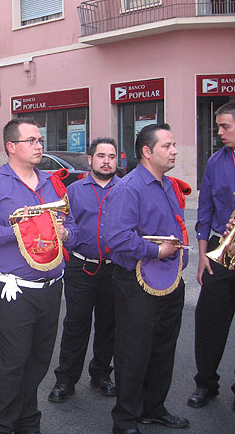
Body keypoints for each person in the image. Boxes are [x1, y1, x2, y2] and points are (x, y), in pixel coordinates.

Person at [0, 118, 77, 434]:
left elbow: (74, 226)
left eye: (40, 139)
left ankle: (27, 421)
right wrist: (21, 230)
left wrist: (64, 232)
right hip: (10, 288)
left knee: (39, 360)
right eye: (31, 140)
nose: (39, 145)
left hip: (51, 285)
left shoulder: (52, 183)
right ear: (11, 147)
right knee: (12, 363)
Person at [105, 123, 190, 434]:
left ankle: (153, 408)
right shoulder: (128, 188)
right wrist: (157, 252)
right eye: (167, 146)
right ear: (146, 152)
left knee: (163, 348)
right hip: (135, 284)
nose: (174, 151)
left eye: (174, 145)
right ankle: (125, 420)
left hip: (170, 281)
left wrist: (178, 254)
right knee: (133, 352)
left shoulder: (168, 185)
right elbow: (116, 238)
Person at [48, 138, 119, 403]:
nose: (106, 161)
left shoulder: (125, 190)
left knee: (108, 324)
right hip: (80, 267)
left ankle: (101, 374)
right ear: (90, 160)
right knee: (76, 323)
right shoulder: (74, 191)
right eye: (101, 156)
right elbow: (67, 223)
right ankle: (65, 379)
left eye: (111, 156)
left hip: (114, 268)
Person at [190, 101, 235, 411]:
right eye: (218, 126)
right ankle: (206, 384)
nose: (218, 132)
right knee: (208, 321)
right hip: (221, 251)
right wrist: (204, 253)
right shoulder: (215, 161)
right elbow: (204, 209)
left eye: (225, 126)